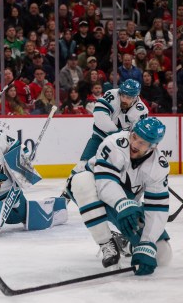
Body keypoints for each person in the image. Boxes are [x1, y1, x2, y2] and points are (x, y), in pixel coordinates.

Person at [67, 117, 171, 274]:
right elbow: (104, 182)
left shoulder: (159, 166)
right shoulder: (114, 143)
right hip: (93, 191)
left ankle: (125, 243)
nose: (135, 144)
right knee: (81, 180)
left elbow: (157, 207)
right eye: (134, 137)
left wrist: (147, 244)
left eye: (142, 143)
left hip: (125, 205)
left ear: (153, 147)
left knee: (162, 255)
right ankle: (106, 243)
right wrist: (123, 203)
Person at [75, 79, 148, 170]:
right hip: (100, 137)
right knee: (82, 166)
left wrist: (119, 139)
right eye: (123, 95)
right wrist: (117, 134)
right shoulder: (112, 94)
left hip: (121, 146)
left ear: (136, 97)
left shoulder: (141, 111)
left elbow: (137, 137)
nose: (124, 99)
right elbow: (99, 116)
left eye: (128, 97)